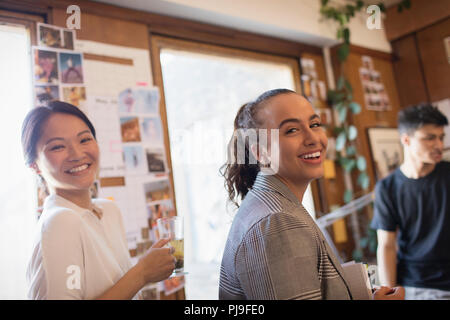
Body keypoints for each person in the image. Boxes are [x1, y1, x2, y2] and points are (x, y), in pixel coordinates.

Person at [219, 88, 404, 300]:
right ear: (260, 152)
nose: (313, 138)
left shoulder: (271, 204)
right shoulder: (278, 220)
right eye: (291, 130)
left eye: (314, 124)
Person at [22, 101, 175, 299]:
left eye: (84, 140)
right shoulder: (60, 222)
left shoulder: (109, 211)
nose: (77, 154)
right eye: (58, 146)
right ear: (35, 165)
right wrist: (142, 273)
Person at [370, 104, 450, 300]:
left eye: (441, 137)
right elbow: (387, 246)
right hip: (417, 284)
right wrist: (389, 293)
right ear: (406, 140)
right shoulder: (387, 188)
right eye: (430, 138)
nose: (439, 145)